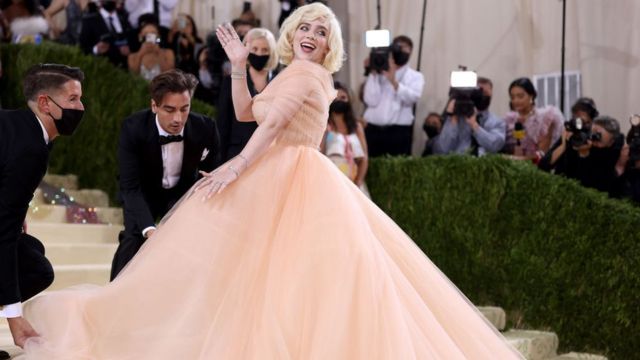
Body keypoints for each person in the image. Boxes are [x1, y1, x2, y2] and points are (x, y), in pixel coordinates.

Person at [19, 4, 522, 359]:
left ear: (331, 45)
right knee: (264, 279)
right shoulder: (293, 72)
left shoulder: (308, 75)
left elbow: (275, 127)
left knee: (282, 281)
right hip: (280, 170)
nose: (311, 34)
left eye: (322, 31)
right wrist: (239, 67)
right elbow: (246, 112)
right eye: (305, 25)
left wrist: (237, 167)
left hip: (292, 176)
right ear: (292, 32)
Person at [0, 63, 84, 352]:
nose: (80, 107)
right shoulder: (31, 148)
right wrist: (14, 316)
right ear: (45, 103)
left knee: (31, 251)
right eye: (72, 99)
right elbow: (3, 232)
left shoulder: (21, 127)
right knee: (37, 269)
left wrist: (18, 209)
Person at [109, 69, 221, 280]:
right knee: (133, 240)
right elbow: (130, 186)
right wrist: (150, 229)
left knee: (189, 248)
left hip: (183, 195)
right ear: (154, 106)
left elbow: (213, 174)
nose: (178, 118)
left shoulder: (206, 128)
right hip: (142, 193)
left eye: (184, 109)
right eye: (169, 110)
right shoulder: (133, 128)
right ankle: (111, 296)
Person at [217, 27, 278, 162]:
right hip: (238, 152)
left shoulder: (280, 81)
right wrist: (219, 162)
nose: (259, 54)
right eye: (255, 49)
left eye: (265, 50)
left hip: (271, 154)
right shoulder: (231, 81)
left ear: (272, 52)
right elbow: (223, 122)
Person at [362, 35, 424, 157]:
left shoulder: (415, 76)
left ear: (410, 52)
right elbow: (370, 100)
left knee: (397, 170)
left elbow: (413, 98)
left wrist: (393, 81)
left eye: (405, 49)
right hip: (373, 131)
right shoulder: (379, 72)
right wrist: (373, 73)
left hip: (398, 133)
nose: (401, 51)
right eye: (398, 47)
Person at [539, 115, 626, 196]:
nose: (593, 139)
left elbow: (589, 188)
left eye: (599, 140)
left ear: (610, 143)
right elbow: (543, 166)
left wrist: (584, 155)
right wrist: (563, 146)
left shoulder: (609, 157)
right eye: (593, 132)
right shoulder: (576, 137)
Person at [432, 77, 506, 156]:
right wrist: (452, 119)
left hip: (484, 165)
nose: (482, 95)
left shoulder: (497, 121)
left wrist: (475, 126)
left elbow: (495, 146)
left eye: (485, 93)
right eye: (478, 92)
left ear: (491, 94)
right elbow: (442, 150)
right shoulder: (456, 119)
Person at [502, 77, 564, 162]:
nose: (516, 101)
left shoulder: (545, 117)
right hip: (514, 169)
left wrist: (519, 159)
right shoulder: (509, 120)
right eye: (512, 97)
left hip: (538, 170)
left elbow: (542, 153)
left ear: (531, 96)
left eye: (520, 96)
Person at [322, 81, 369, 191]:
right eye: (335, 98)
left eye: (343, 97)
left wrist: (358, 181)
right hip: (331, 182)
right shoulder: (325, 126)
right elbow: (321, 154)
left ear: (349, 99)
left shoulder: (356, 127)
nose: (339, 100)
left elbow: (364, 158)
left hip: (354, 183)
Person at [78, 0, 131, 69]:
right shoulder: (89, 21)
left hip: (125, 68)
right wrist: (96, 49)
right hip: (102, 69)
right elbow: (82, 48)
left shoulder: (124, 18)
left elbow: (132, 40)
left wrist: (130, 49)